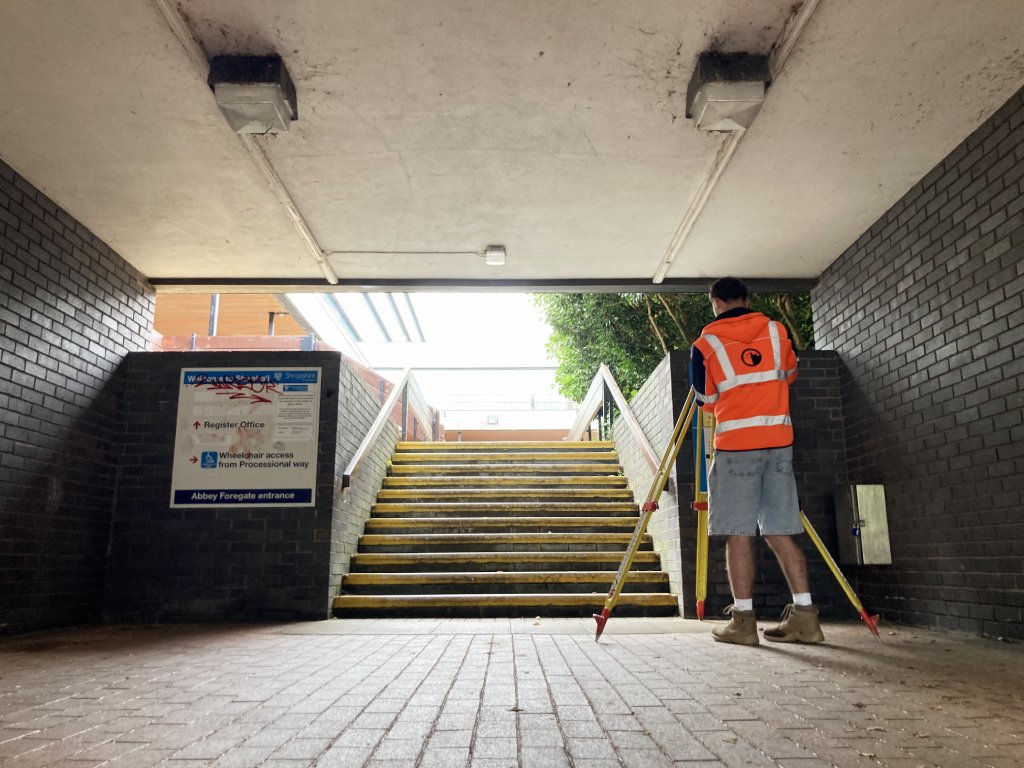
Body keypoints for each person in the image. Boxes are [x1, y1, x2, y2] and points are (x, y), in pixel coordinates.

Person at [690, 277, 824, 646]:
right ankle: (806, 617)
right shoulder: (777, 331)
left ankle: (744, 621)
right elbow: (790, 374)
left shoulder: (705, 345)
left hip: (736, 447)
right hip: (780, 443)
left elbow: (705, 398)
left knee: (739, 534)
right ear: (747, 299)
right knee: (780, 530)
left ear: (715, 302)